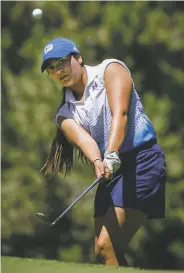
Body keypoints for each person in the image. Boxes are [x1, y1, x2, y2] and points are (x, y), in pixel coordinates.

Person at [40, 37, 167, 267]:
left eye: (61, 62)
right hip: (111, 169)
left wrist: (110, 154)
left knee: (107, 245)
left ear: (78, 58)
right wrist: (98, 160)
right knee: (102, 250)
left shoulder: (111, 69)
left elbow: (121, 114)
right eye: (51, 68)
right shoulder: (64, 113)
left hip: (142, 161)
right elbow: (84, 140)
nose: (58, 71)